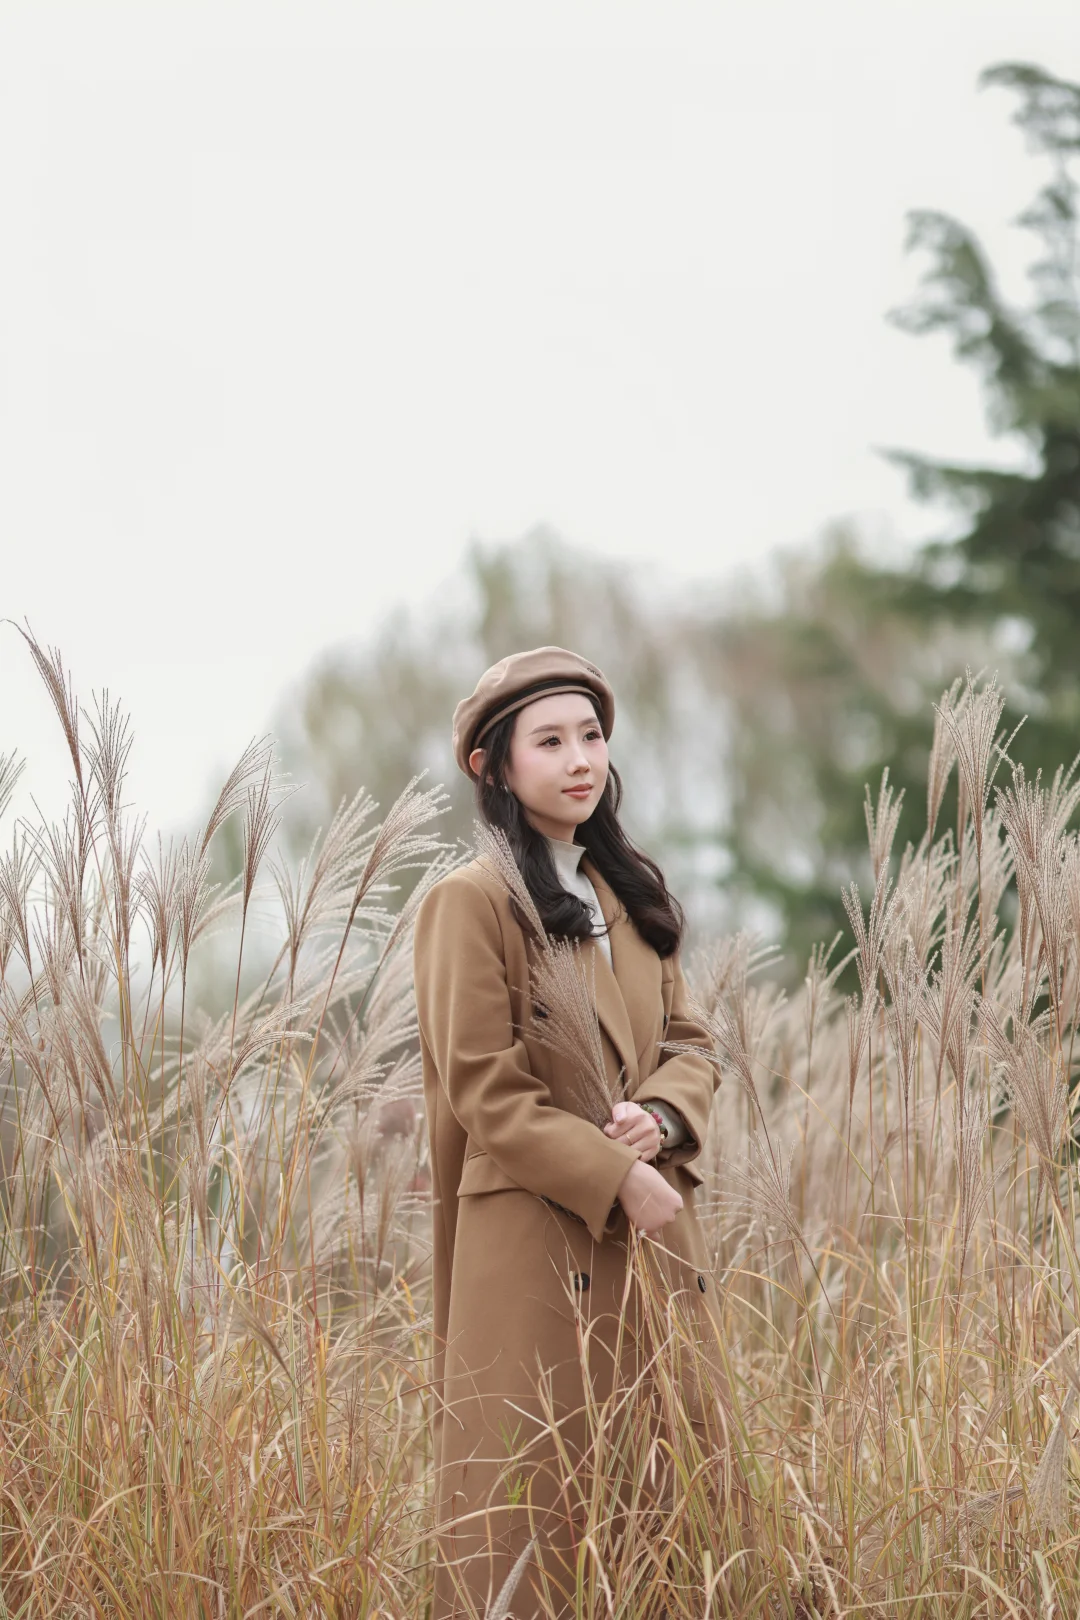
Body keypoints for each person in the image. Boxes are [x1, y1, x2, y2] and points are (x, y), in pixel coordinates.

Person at [413, 646, 729, 1619]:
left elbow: (691, 1042)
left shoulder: (623, 896)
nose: (579, 759)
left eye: (590, 736)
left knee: (670, 1503)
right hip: (533, 1248)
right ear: (493, 767)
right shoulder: (470, 903)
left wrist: (664, 1114)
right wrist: (615, 1174)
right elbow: (484, 1092)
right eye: (549, 741)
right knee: (527, 1520)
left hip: (654, 1240)